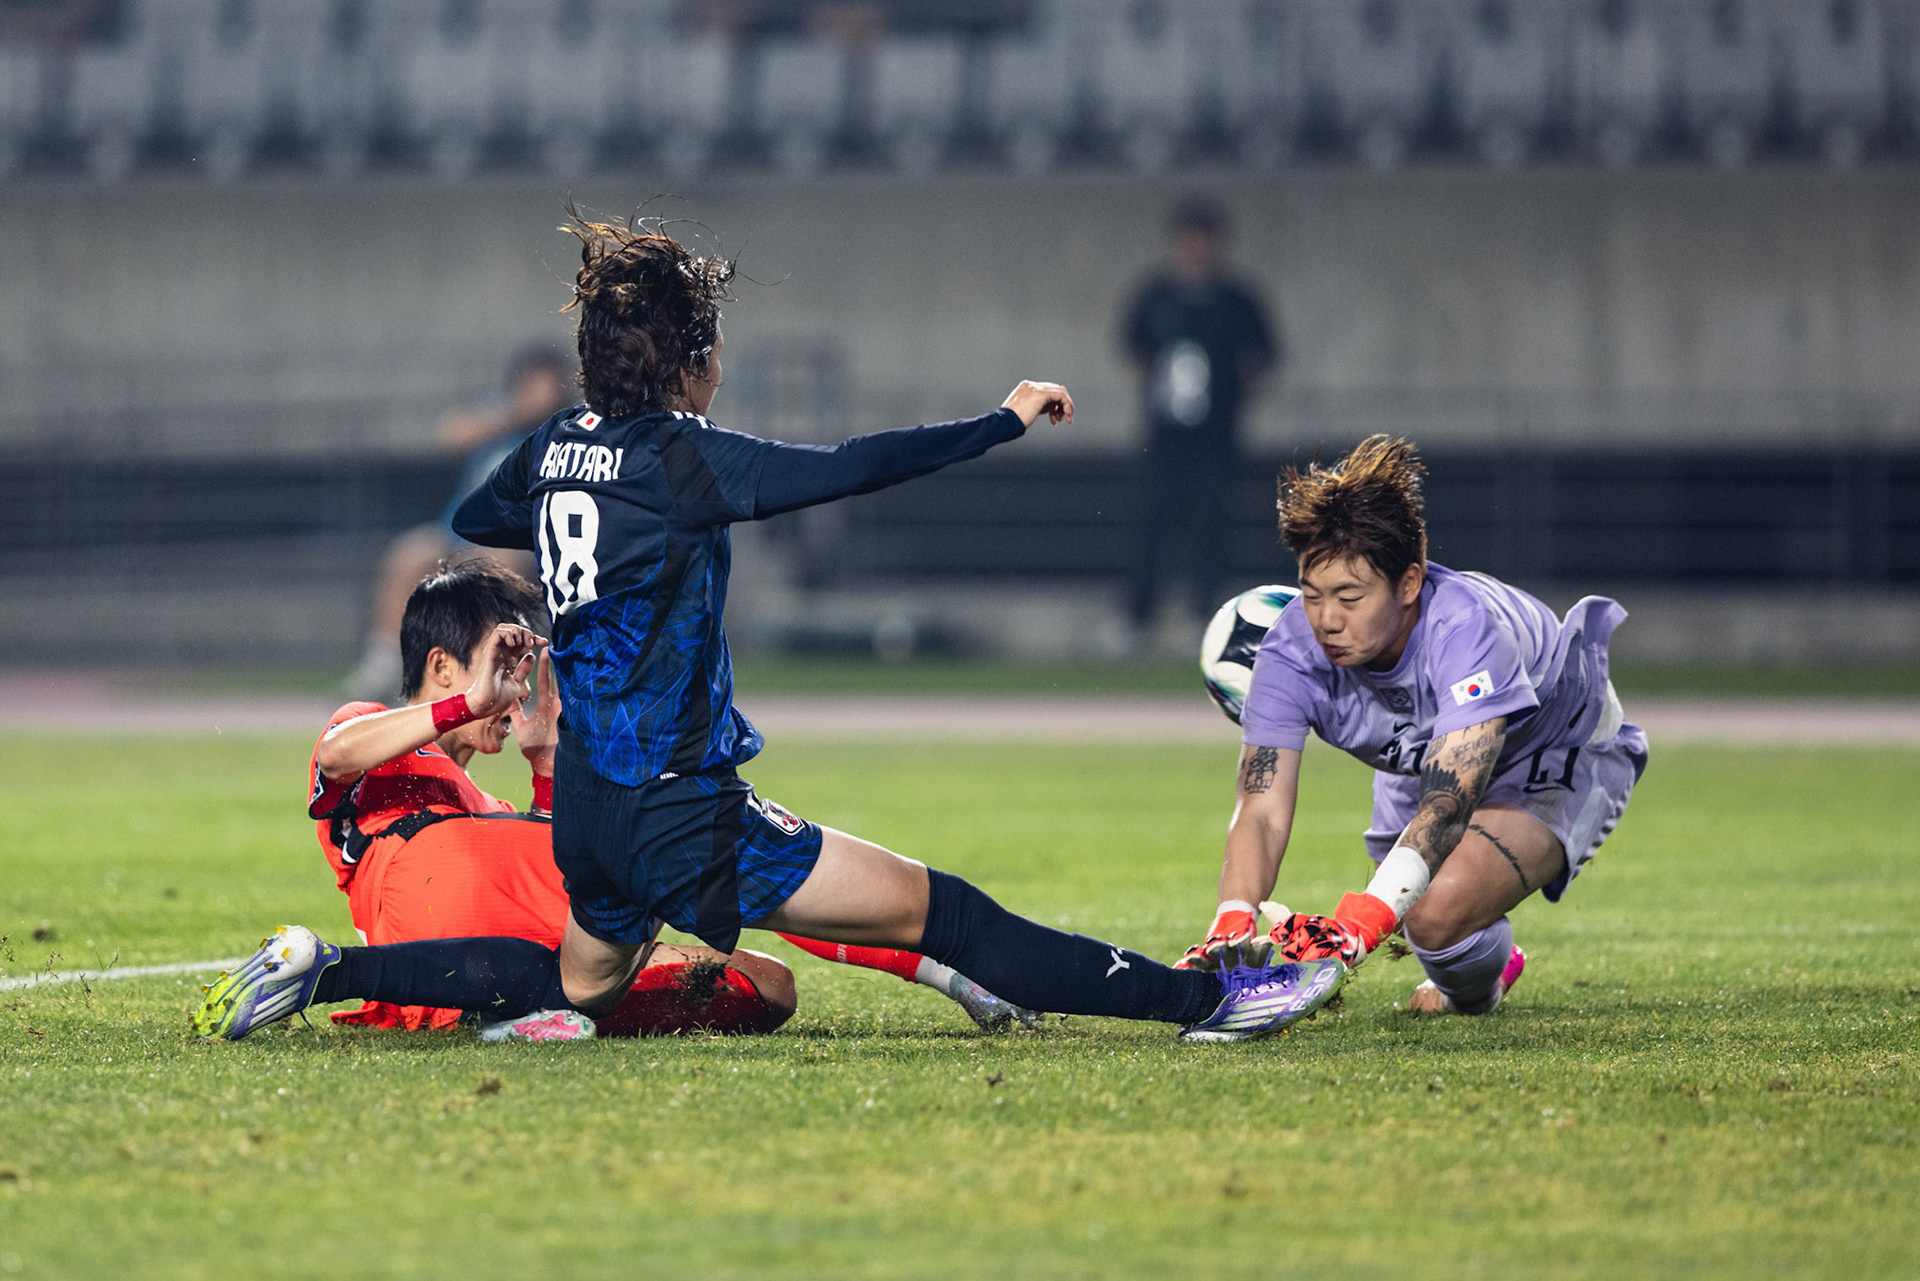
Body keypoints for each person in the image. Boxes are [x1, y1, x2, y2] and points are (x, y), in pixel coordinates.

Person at [193, 211, 1338, 1046]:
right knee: (943, 909)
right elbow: (848, 468)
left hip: (587, 806)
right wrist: (998, 419)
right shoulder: (680, 459)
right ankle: (1210, 1002)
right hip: (685, 809)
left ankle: (335, 970)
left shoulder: (551, 451)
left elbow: (495, 509)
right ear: (692, 363)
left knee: (577, 980)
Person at [225, 557, 1035, 1040]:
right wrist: (462, 706)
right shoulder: (379, 727)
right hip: (436, 901)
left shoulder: (479, 806)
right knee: (713, 872)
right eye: (500, 666)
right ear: (442, 667)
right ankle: (952, 964)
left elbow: (560, 880)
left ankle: (509, 1008)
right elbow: (335, 751)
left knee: (758, 980)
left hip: (453, 961)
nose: (515, 691)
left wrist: (545, 762)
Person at [1175, 436, 1649, 1018]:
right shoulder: (1289, 650)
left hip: (1554, 748)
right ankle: (1492, 964)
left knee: (1427, 910)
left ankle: (1466, 981)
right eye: (1310, 592)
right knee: (1411, 911)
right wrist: (1232, 920)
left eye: (1349, 595)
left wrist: (1356, 925)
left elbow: (1448, 805)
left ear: (1408, 582)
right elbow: (1261, 808)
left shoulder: (1464, 628)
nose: (1326, 618)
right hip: (1433, 749)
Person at [343, 344, 574, 702]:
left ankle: (488, 671)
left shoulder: (565, 429)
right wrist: (515, 412)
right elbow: (451, 434)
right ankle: (384, 667)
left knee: (499, 562)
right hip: (457, 534)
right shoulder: (498, 413)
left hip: (519, 543)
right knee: (410, 554)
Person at [1119, 195, 1278, 640]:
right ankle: (1139, 618)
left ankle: (1202, 616)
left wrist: (1234, 392)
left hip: (1217, 435)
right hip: (1165, 435)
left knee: (1213, 523)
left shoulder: (1237, 300)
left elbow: (1263, 357)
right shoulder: (1155, 296)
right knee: (1153, 521)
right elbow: (1132, 350)